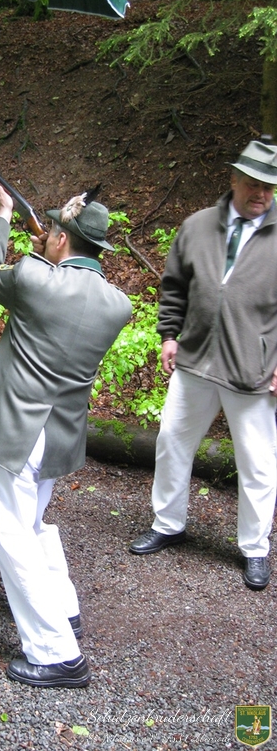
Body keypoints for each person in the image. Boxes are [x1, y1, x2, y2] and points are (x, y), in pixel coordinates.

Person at [0, 184, 132, 688]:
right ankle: (62, 608)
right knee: (31, 524)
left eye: (54, 231)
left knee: (12, 533)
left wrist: (4, 215)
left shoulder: (35, 276)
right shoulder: (118, 305)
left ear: (59, 239)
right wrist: (47, 252)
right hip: (59, 436)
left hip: (16, 429)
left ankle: (57, 654)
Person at [130, 140, 277, 591]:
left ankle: (255, 548)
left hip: (252, 370)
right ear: (233, 180)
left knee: (258, 464)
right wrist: (169, 335)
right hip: (194, 359)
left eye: (269, 187)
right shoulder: (197, 226)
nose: (262, 194)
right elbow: (174, 286)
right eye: (253, 184)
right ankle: (168, 523)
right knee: (172, 442)